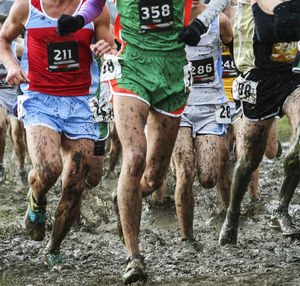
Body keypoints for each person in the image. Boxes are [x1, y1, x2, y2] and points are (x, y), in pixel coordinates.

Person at [0, 0, 114, 270]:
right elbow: (3, 39)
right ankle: (37, 199)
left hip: (82, 103)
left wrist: (105, 50)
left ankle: (54, 248)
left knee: (76, 183)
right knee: (49, 169)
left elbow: (111, 48)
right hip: (40, 99)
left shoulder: (96, 8)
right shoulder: (27, 6)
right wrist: (12, 66)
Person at [219, 0, 300, 246]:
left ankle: (280, 209)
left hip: (291, 76)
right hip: (258, 80)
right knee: (249, 161)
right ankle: (232, 216)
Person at [171, 0, 233, 242]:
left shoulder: (220, 22)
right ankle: (188, 239)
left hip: (210, 107)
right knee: (185, 173)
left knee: (208, 177)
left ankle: (231, 218)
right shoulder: (170, 25)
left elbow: (239, 55)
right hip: (178, 107)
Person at [0, 13, 27, 185]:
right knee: (0, 125)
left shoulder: (18, 47)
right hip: (0, 94)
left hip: (16, 92)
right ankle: (0, 165)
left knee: (17, 134)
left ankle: (21, 167)